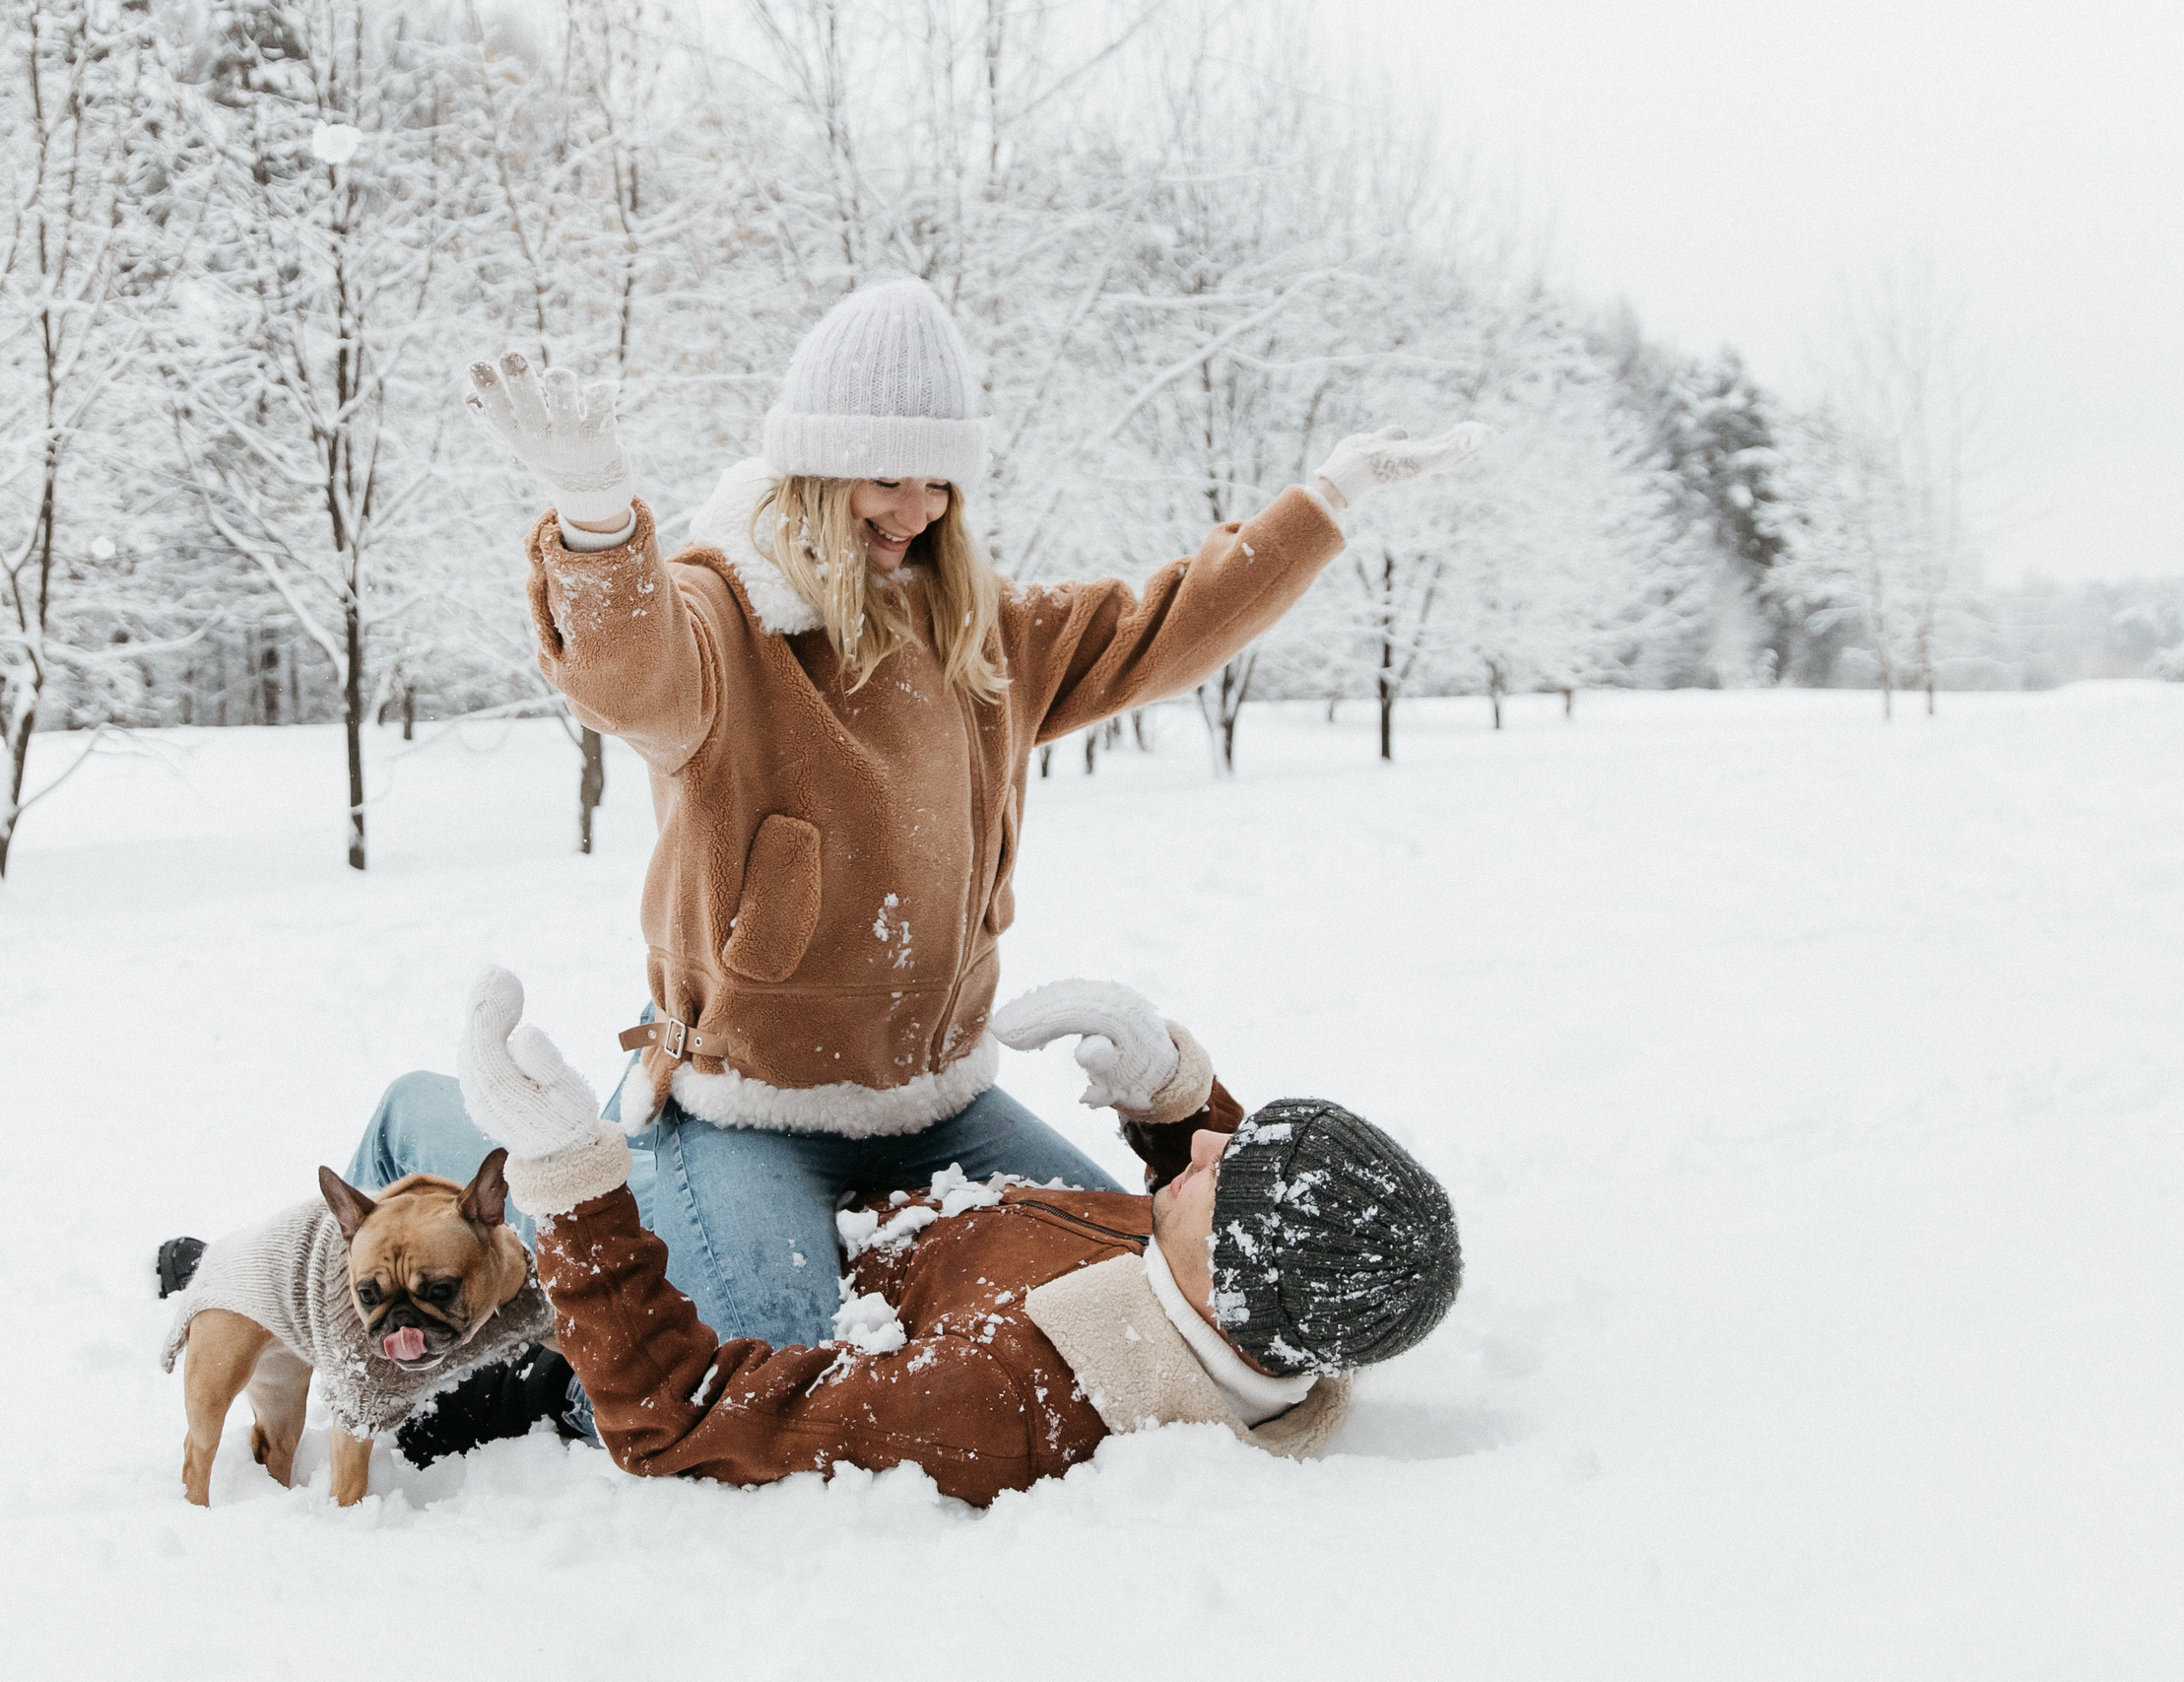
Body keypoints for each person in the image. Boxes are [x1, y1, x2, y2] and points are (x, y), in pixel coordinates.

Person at [455, 276, 1489, 1350]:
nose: (919, 511)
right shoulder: (725, 618)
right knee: (767, 1356)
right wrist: (596, 522)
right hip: (745, 1105)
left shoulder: (979, 633)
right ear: (811, 471)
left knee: (1143, 1293)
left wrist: (1321, 503)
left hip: (935, 1099)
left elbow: (1165, 624)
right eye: (886, 478)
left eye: (940, 481)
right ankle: (465, 1140)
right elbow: (631, 674)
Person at [399, 969, 1462, 1506]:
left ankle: (326, 1282)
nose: (1199, 1152)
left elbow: (678, 1417)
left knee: (425, 1109)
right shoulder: (1249, 1322)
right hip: (922, 1169)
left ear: (1232, 1279)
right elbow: (1233, 1205)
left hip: (819, 1238)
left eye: (1214, 1173)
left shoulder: (1002, 1400)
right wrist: (1169, 1098)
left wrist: (570, 1183)